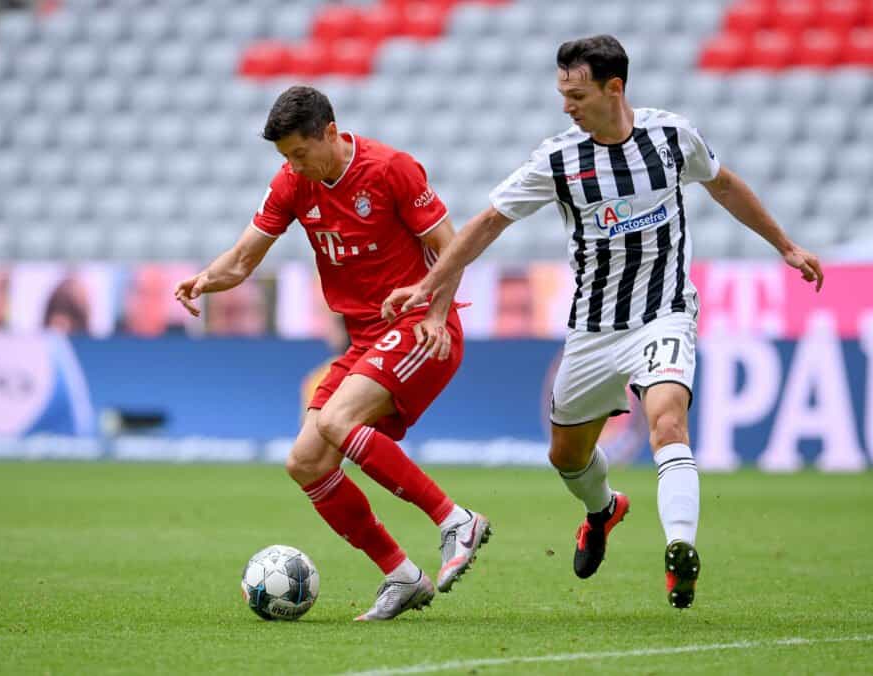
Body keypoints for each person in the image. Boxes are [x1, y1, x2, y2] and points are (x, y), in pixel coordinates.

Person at [384, 35, 824, 610]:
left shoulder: (671, 137)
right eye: (563, 93)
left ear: (614, 88)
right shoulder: (559, 159)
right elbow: (490, 221)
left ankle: (680, 550)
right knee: (566, 456)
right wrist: (430, 283)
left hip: (663, 313)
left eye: (577, 94)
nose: (567, 105)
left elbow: (724, 185)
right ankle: (602, 510)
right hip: (593, 330)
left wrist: (785, 245)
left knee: (668, 422)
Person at [174, 86, 490, 621]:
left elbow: (450, 246)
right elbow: (245, 258)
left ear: (329, 132)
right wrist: (206, 280)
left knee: (336, 420)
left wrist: (436, 313)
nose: (294, 167)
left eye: (300, 153)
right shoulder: (294, 184)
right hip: (365, 339)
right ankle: (401, 575)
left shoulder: (391, 169)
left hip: (419, 325)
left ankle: (455, 519)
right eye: (285, 159)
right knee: (304, 461)